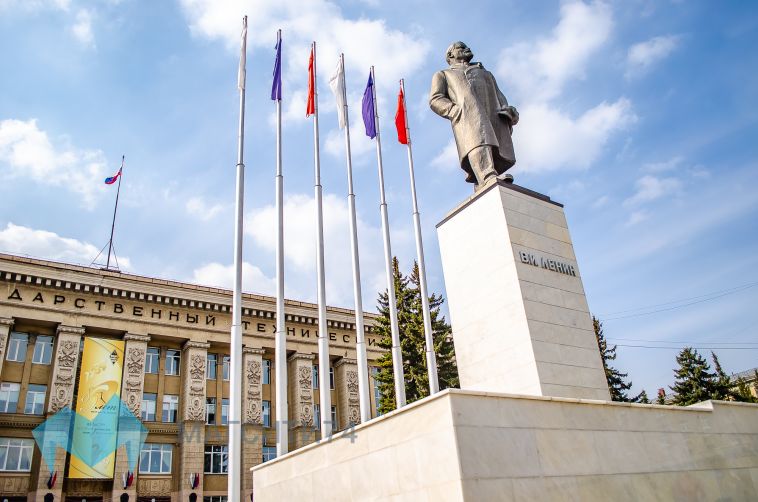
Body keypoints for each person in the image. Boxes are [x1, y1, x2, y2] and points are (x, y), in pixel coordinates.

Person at [430, 41, 519, 188]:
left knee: (493, 142)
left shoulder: (485, 73)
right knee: (477, 141)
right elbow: (435, 99)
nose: (467, 48)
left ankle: (483, 181)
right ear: (450, 54)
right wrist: (455, 111)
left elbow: (499, 95)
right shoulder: (444, 74)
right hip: (468, 115)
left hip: (492, 114)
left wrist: (508, 110)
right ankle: (487, 175)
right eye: (461, 47)